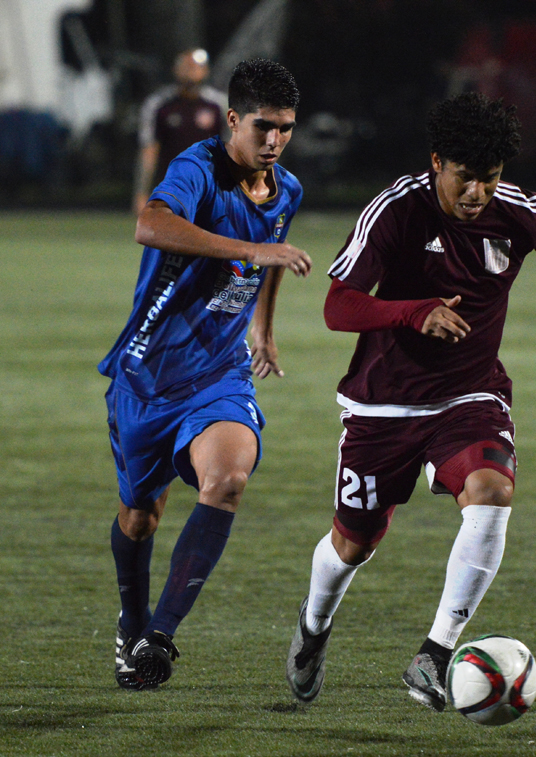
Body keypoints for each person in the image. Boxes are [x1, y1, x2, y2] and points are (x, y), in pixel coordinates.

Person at [286, 92, 536, 711]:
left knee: (492, 491)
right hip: (384, 405)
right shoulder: (396, 210)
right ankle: (313, 628)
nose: (478, 192)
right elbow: (336, 305)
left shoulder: (517, 213)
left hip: (470, 393)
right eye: (465, 177)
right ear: (436, 162)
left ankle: (434, 654)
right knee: (353, 545)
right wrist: (413, 312)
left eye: (490, 178)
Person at [99, 58, 311, 691]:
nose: (274, 142)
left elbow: (271, 257)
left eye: (286, 130)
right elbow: (150, 224)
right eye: (263, 128)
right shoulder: (198, 169)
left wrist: (262, 328)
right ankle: (132, 623)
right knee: (140, 516)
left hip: (219, 375)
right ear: (232, 121)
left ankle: (160, 636)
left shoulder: (286, 190)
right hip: (148, 373)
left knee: (228, 479)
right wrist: (248, 250)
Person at [132, 48, 229, 216]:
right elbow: (149, 151)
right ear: (175, 69)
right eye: (186, 66)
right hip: (171, 188)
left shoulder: (219, 105)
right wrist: (141, 192)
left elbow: (234, 148)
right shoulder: (159, 105)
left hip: (210, 187)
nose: (191, 70)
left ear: (205, 71)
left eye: (196, 66)